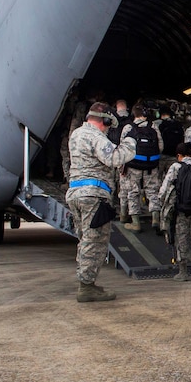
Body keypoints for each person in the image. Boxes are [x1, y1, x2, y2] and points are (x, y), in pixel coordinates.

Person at [65, 102, 137, 302]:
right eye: (108, 125)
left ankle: (86, 281)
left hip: (76, 193)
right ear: (104, 120)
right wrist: (131, 142)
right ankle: (86, 286)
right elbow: (115, 158)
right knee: (94, 240)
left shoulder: (77, 134)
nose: (108, 129)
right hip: (93, 194)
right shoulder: (95, 136)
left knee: (85, 239)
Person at [158, 142, 191, 283]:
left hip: (182, 210)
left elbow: (164, 190)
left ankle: (183, 272)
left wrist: (162, 204)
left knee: (181, 238)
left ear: (179, 155)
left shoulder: (176, 166)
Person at [120, 104, 164, 232]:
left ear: (134, 114)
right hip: (151, 166)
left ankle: (135, 222)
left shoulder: (128, 127)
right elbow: (160, 146)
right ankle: (155, 219)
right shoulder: (153, 127)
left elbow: (123, 148)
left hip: (134, 166)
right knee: (152, 190)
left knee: (133, 192)